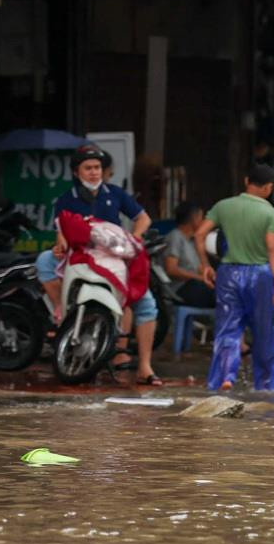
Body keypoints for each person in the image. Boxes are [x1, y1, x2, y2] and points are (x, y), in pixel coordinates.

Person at [39, 145, 163, 386]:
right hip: (81, 255)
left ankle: (145, 366)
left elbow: (143, 218)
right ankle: (61, 314)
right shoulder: (66, 199)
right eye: (88, 168)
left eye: (97, 168)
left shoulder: (116, 194)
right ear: (77, 172)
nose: (94, 172)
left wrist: (135, 238)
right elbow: (61, 233)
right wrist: (60, 245)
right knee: (43, 261)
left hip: (115, 255)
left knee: (146, 303)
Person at [194, 166, 274, 392]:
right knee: (265, 332)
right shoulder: (269, 212)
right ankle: (265, 386)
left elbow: (199, 234)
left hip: (228, 273)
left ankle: (225, 378)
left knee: (228, 328)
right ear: (269, 187)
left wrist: (205, 264)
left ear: (246, 181)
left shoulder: (223, 206)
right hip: (261, 275)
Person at [163, 202, 215, 307]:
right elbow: (171, 270)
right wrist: (198, 278)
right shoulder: (175, 237)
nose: (203, 221)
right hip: (179, 289)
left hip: (194, 286)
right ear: (194, 218)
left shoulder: (192, 241)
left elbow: (199, 268)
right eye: (201, 217)